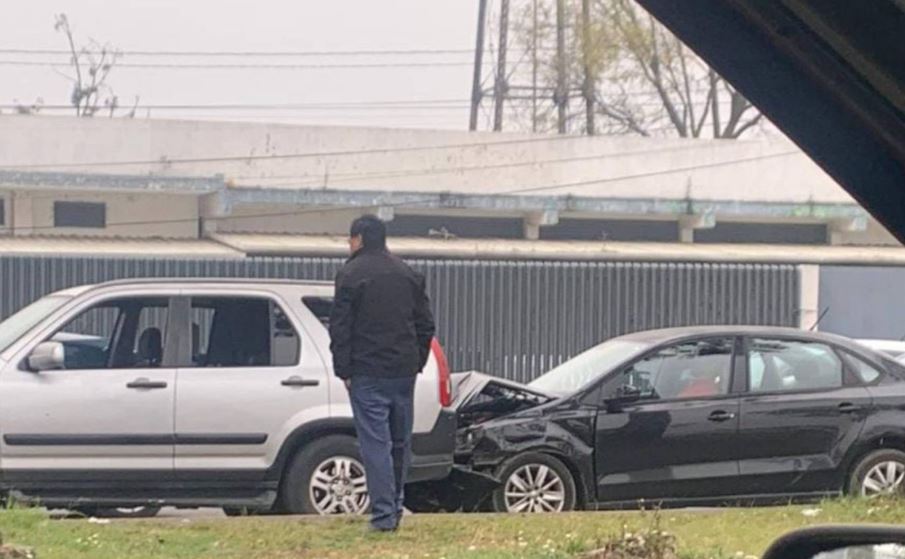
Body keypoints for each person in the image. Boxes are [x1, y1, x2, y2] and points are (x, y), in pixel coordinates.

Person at [329, 215, 436, 532]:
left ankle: (383, 516)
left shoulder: (350, 274)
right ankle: (396, 507)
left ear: (359, 238)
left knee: (375, 443)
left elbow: (340, 327)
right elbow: (426, 325)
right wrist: (417, 360)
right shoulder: (407, 274)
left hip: (367, 371)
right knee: (400, 442)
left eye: (350, 239)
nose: (349, 246)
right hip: (403, 371)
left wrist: (343, 369)